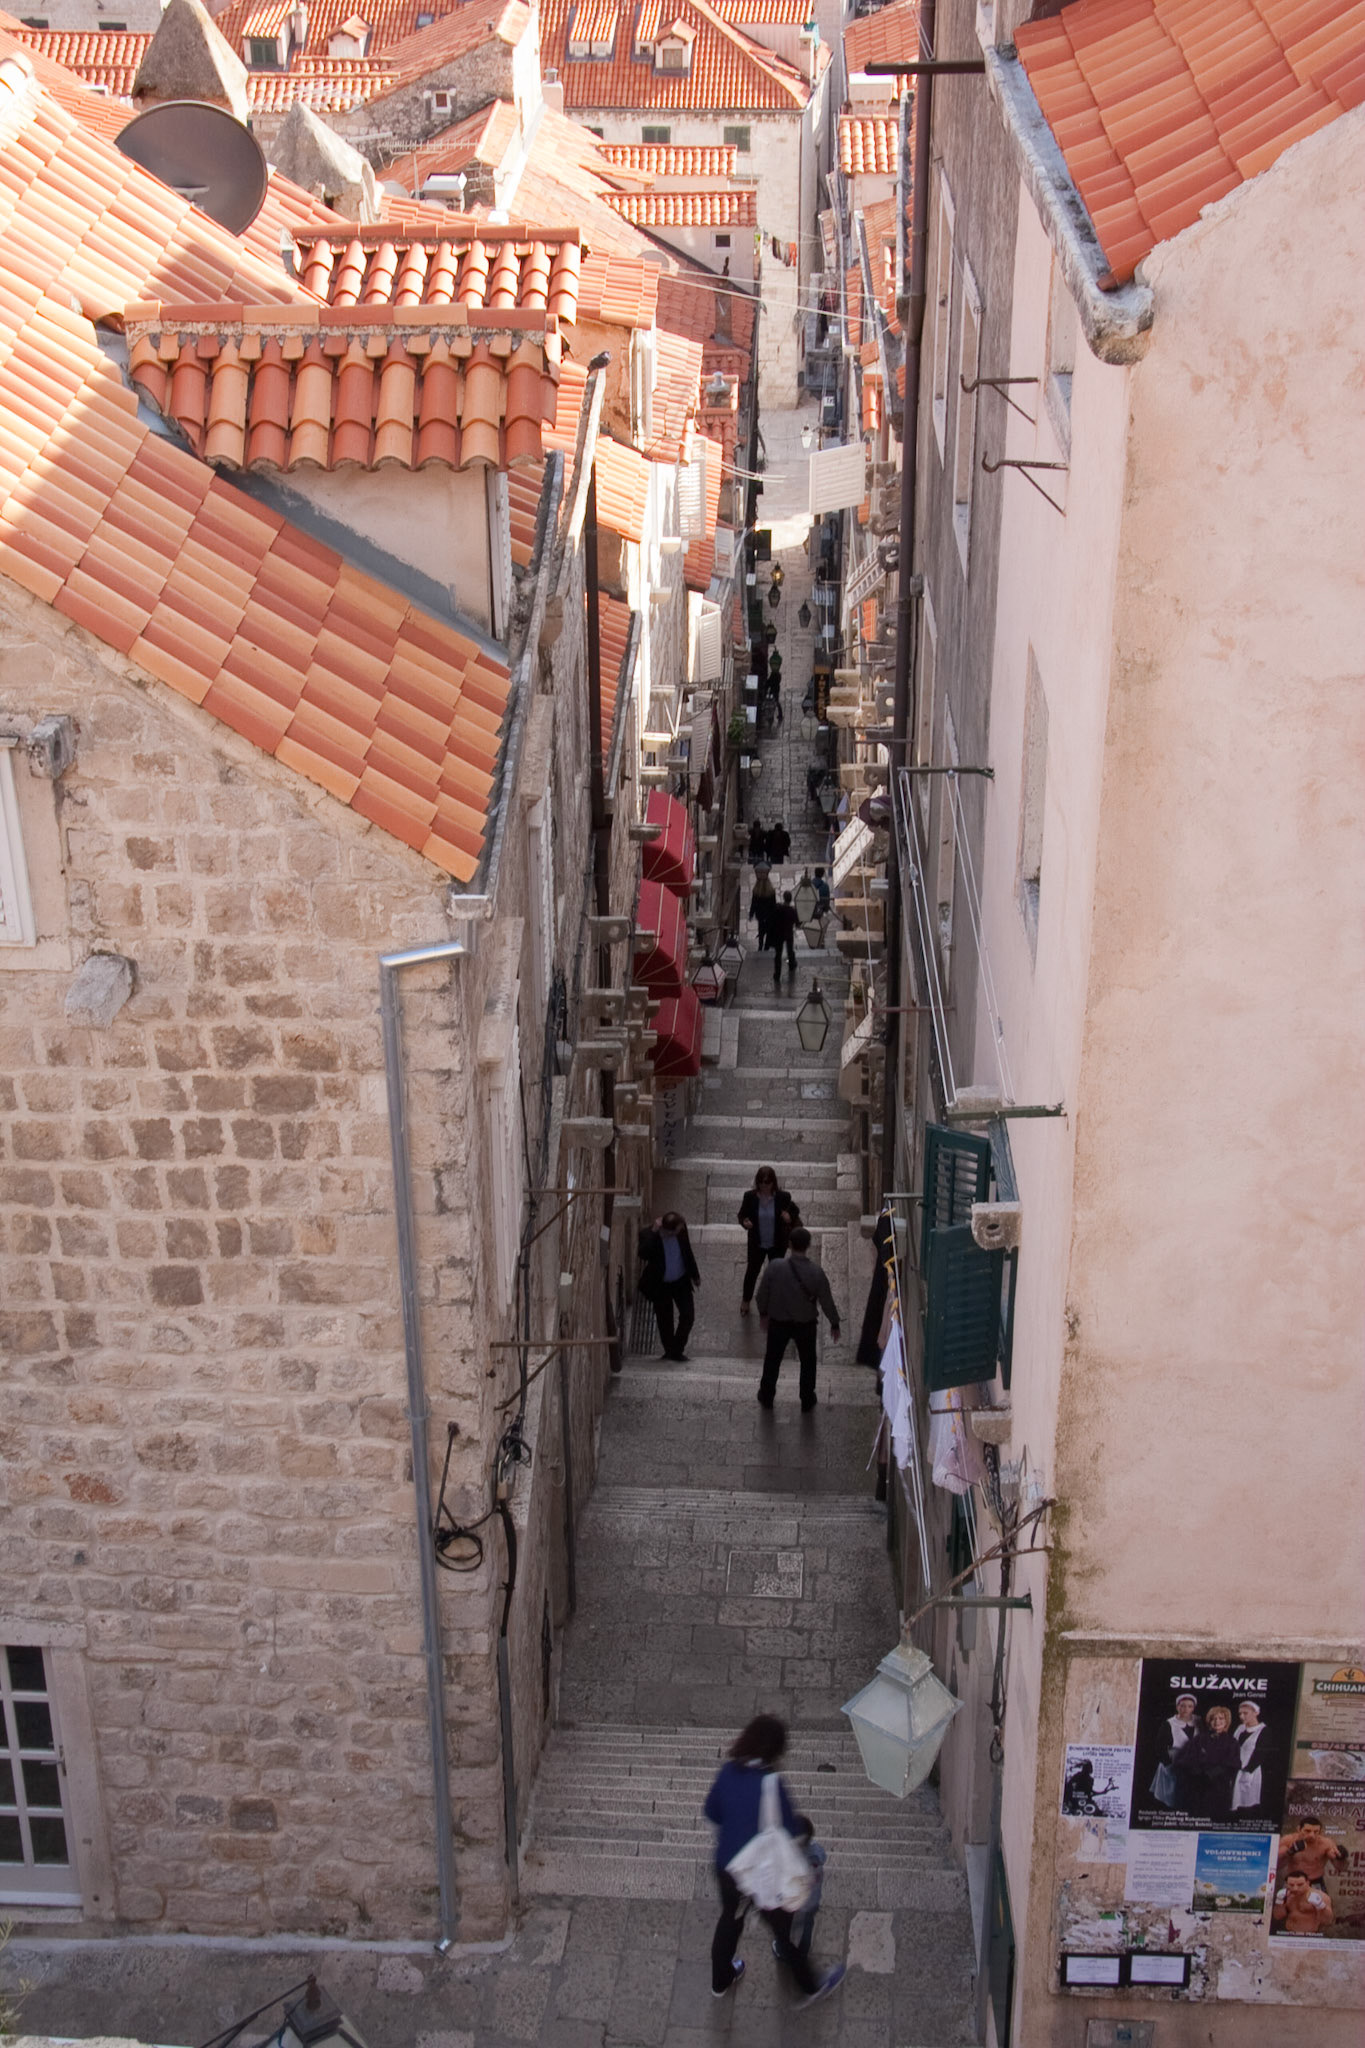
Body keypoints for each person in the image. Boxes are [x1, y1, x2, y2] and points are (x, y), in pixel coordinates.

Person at [704, 1714, 845, 2006]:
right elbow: (792, 1831)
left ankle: (720, 1980)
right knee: (783, 1931)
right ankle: (810, 1987)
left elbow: (711, 1812)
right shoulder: (772, 1784)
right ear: (775, 1750)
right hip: (762, 1876)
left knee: (730, 1921)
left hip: (729, 1868)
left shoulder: (727, 1771)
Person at [755, 1227, 842, 1411]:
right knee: (808, 1362)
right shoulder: (816, 1272)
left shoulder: (775, 1267)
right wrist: (834, 1323)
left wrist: (763, 1314)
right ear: (808, 1245)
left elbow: (761, 1295)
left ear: (789, 1244)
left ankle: (767, 1395)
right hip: (805, 1325)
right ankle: (807, 1398)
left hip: (778, 1323)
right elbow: (826, 1301)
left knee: (772, 1359)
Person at [636, 1212, 700, 1361]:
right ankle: (669, 1351)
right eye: (677, 1229)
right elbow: (643, 1253)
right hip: (661, 1285)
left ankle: (676, 1351)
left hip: (681, 1282)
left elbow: (687, 1251)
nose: (681, 1230)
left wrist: (695, 1275)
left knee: (688, 1315)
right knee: (665, 1320)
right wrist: (653, 1232)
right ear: (669, 1230)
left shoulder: (681, 1229)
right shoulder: (649, 1234)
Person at [738, 1168, 801, 1313]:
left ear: (773, 1183)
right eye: (760, 1182)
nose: (764, 1186)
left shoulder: (783, 1197)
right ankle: (746, 1300)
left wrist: (789, 1217)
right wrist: (744, 1222)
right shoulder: (749, 1197)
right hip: (757, 1243)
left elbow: (795, 1210)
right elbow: (741, 1215)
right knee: (752, 1272)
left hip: (776, 1244)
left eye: (767, 1183)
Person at [1173, 1703, 1240, 1821]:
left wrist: (1211, 1774)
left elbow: (1232, 1764)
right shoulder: (1199, 1739)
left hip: (1219, 1788)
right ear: (1209, 1721)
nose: (1217, 1721)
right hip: (1198, 1788)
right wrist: (1197, 1773)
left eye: (1221, 1718)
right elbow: (1184, 1760)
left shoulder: (1232, 1742)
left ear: (1226, 1721)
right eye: (1213, 1719)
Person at [1150, 1693, 1199, 1808]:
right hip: (1173, 1763)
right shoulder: (1169, 1724)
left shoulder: (1198, 1721)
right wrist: (1168, 1765)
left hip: (1193, 1765)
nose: (1186, 1709)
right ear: (1177, 1707)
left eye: (1190, 1706)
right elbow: (1159, 1747)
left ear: (1193, 1708)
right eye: (1182, 1706)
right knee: (1172, 1799)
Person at [1278, 1815, 1347, 1887]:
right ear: (1299, 1829)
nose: (1311, 1835)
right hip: (1293, 1881)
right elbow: (1277, 1866)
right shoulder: (1288, 1840)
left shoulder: (1326, 1844)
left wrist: (1341, 1857)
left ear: (1320, 1832)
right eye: (1307, 1831)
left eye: (1316, 1832)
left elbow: (1342, 1868)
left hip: (1315, 1881)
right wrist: (1290, 1852)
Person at [1231, 1698, 1273, 1817]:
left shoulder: (1263, 1731)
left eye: (1245, 1713)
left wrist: (1248, 1770)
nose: (1242, 1716)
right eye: (1240, 1713)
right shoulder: (1240, 1728)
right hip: (1235, 1768)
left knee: (1247, 1801)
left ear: (1256, 1712)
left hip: (1251, 1771)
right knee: (1234, 1799)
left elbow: (1261, 1754)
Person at [1273, 1871, 1334, 1936]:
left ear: (1307, 1883)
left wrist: (1321, 1905)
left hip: (1310, 1935)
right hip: (1288, 1933)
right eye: (1291, 1885)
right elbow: (1278, 1917)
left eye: (1300, 1885)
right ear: (1286, 1884)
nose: (1295, 1888)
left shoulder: (1320, 1896)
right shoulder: (1285, 1895)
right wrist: (1279, 1901)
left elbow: (1327, 1921)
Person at [770, 892, 799, 985]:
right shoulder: (792, 911)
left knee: (778, 954)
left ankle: (777, 974)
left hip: (779, 933)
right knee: (790, 950)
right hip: (788, 933)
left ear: (784, 898)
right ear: (790, 899)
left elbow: (773, 920)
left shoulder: (779, 909)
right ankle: (791, 965)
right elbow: (797, 923)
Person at [750, 869, 777, 952]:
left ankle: (760, 946)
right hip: (769, 915)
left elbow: (753, 904)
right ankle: (766, 947)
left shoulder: (756, 892)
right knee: (769, 932)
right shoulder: (771, 892)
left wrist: (751, 914)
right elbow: (773, 905)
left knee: (761, 931)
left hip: (760, 915)